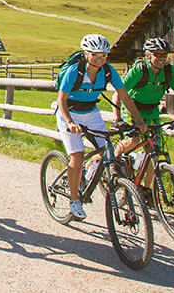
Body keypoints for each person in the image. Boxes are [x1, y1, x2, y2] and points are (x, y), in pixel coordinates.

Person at [55, 33, 146, 221]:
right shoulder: (74, 71)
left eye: (104, 55)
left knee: (107, 150)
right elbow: (61, 100)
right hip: (69, 112)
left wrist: (139, 120)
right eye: (95, 54)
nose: (100, 59)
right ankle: (74, 201)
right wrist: (71, 123)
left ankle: (89, 171)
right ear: (86, 54)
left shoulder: (108, 71)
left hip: (91, 112)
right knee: (77, 155)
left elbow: (125, 97)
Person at [115, 37, 174, 193]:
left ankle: (145, 189)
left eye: (164, 54)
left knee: (155, 151)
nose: (162, 58)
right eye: (157, 54)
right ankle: (115, 160)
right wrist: (117, 118)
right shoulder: (139, 69)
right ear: (148, 55)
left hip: (152, 110)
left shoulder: (170, 71)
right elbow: (119, 92)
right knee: (134, 139)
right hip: (131, 107)